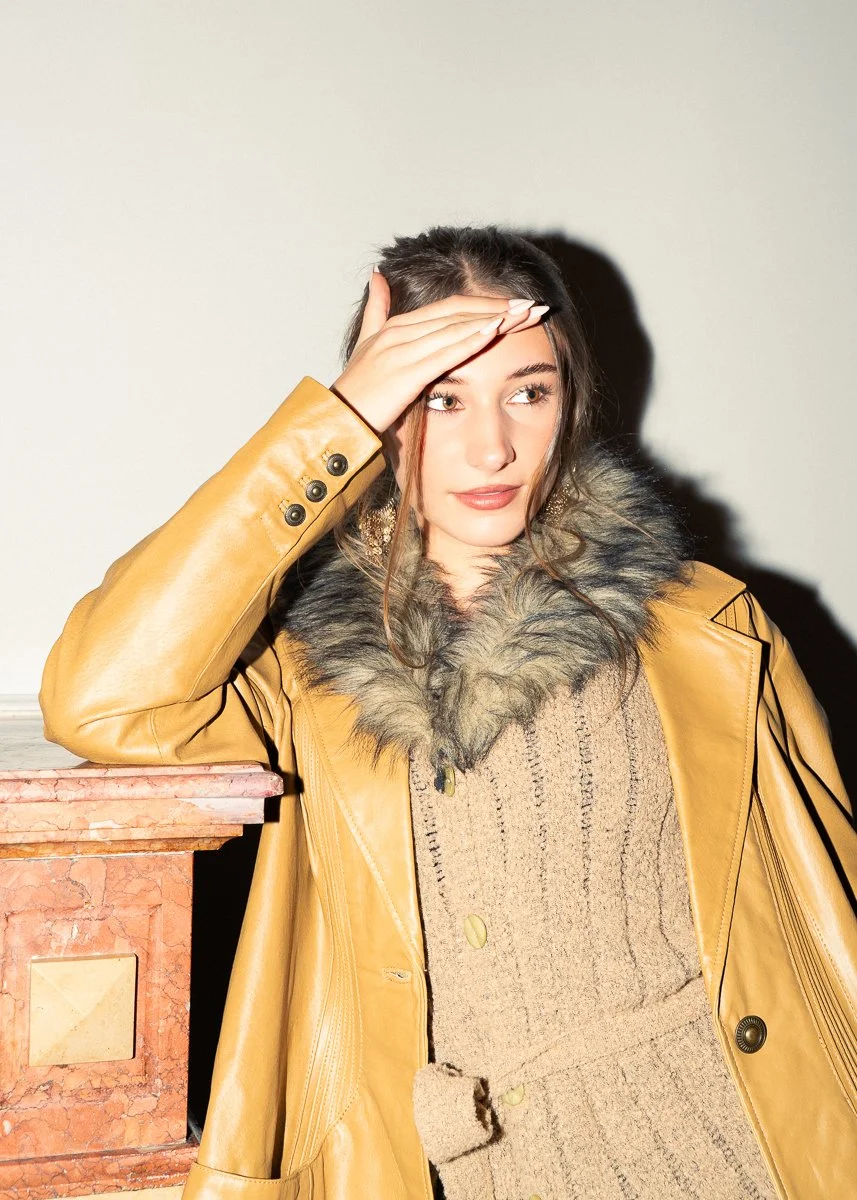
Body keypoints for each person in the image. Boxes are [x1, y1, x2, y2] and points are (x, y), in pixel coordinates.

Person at [40, 225, 857, 1200]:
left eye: (527, 392)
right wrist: (334, 421)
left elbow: (826, 902)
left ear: (569, 401)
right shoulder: (300, 669)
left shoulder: (704, 632)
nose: (492, 445)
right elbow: (101, 694)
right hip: (436, 1172)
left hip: (726, 1149)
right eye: (439, 396)